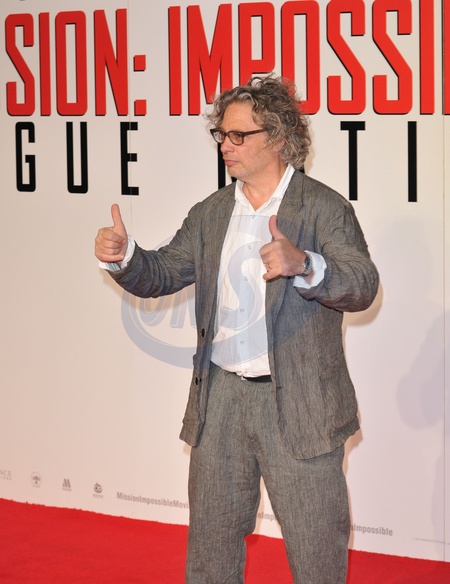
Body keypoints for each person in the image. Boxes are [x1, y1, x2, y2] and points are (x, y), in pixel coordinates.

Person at [95, 74, 379, 584]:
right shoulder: (211, 212)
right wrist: (124, 256)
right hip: (220, 399)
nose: (225, 144)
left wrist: (304, 264)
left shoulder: (323, 207)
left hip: (300, 405)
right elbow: (162, 273)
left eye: (238, 135)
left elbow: (361, 285)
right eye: (221, 134)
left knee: (316, 550)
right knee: (211, 546)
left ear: (279, 137)